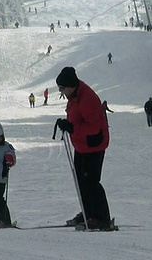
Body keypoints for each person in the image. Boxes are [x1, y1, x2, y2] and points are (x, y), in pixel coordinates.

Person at [55, 66, 112, 230]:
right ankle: (88, 213)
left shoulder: (86, 97)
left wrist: (72, 128)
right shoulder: (74, 95)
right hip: (82, 145)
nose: (61, 91)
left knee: (91, 182)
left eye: (62, 88)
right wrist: (68, 125)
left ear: (71, 85)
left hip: (94, 143)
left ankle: (102, 217)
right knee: (81, 181)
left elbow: (93, 126)